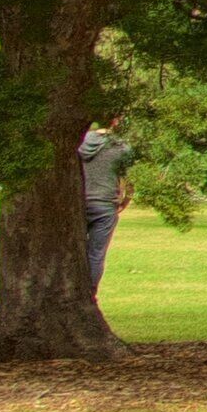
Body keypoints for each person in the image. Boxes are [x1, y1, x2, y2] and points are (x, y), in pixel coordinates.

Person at [81, 112, 135, 287]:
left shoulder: (78, 145)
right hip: (105, 205)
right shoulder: (121, 147)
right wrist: (126, 200)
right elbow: (130, 178)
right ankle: (90, 293)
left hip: (78, 203)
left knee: (73, 252)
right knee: (96, 255)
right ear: (115, 121)